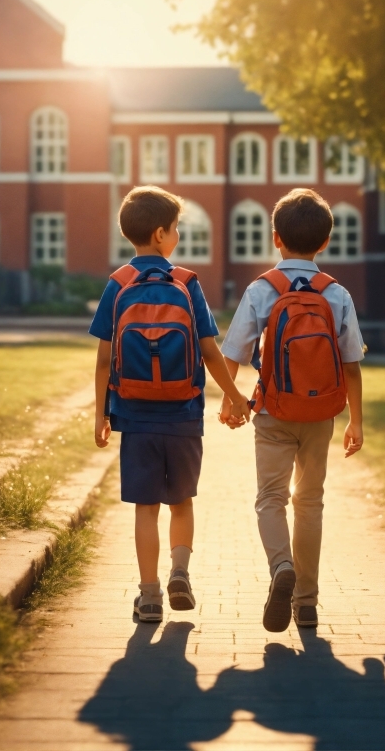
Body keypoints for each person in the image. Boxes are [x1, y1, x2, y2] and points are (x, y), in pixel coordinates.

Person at [90, 185, 251, 623]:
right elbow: (210, 352)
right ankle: (180, 571)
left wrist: (101, 414)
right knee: (181, 500)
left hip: (134, 413)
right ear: (161, 234)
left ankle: (149, 595)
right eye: (177, 228)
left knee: (146, 506)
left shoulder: (118, 283)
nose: (178, 234)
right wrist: (236, 397)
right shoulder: (187, 283)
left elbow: (105, 358)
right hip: (183, 414)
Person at [219, 188, 365, 632]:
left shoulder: (263, 289)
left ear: (275, 237)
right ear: (325, 243)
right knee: (311, 501)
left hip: (274, 413)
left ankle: (281, 566)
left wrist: (232, 400)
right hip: (321, 416)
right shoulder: (335, 293)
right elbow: (351, 364)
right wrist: (356, 421)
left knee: (271, 499)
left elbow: (234, 353)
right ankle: (307, 601)